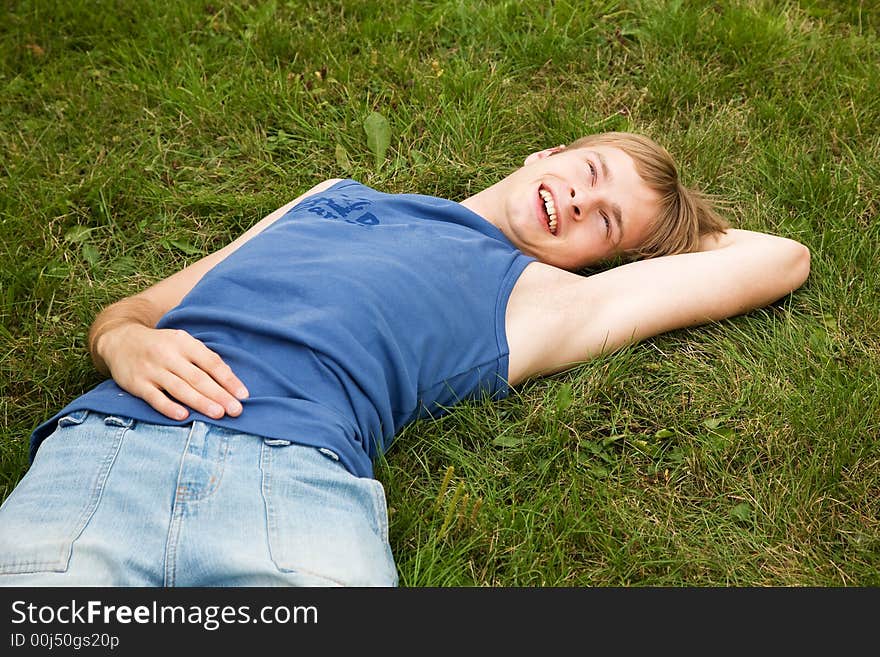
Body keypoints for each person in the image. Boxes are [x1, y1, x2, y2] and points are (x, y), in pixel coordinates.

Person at [0, 131, 810, 586]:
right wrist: (122, 337)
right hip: (111, 450)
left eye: (606, 222)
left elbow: (781, 257)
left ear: (602, 264)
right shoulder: (332, 196)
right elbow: (139, 306)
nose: (578, 201)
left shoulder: (539, 297)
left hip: (295, 491)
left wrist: (670, 231)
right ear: (545, 153)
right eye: (589, 173)